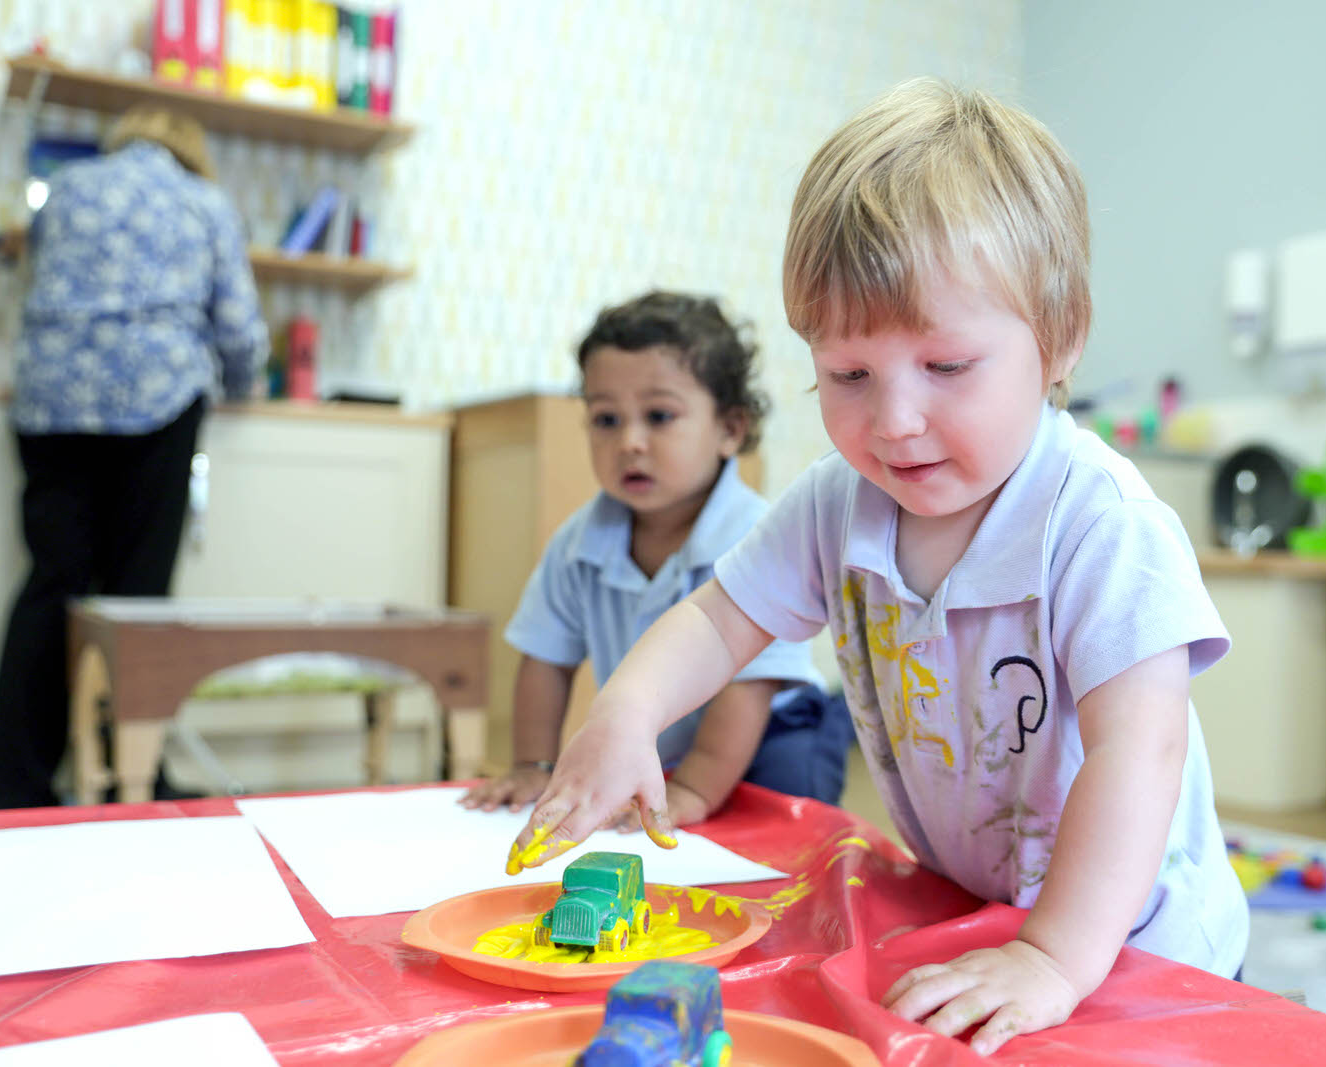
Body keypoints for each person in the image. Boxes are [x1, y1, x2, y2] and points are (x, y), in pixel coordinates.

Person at [505, 80, 1248, 1053]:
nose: (893, 421)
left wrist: (1057, 956)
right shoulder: (834, 502)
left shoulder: (1102, 527)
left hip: (1139, 945)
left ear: (1058, 339)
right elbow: (720, 617)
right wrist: (627, 712)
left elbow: (1135, 753)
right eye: (849, 375)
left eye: (945, 367)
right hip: (986, 910)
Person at [460, 290, 851, 829]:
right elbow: (545, 661)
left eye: (659, 416)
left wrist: (692, 787)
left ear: (730, 430)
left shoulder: (756, 533)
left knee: (788, 808)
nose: (630, 442)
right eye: (606, 420)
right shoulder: (578, 544)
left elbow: (749, 687)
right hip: (666, 734)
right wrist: (533, 765)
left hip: (773, 729)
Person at [0, 106, 267, 810]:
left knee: (53, 585)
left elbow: (39, 276)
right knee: (136, 602)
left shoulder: (66, 186)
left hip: (51, 403)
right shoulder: (205, 201)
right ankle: (130, 783)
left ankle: (13, 787)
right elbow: (238, 325)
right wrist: (242, 383)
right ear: (190, 149)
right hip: (155, 396)